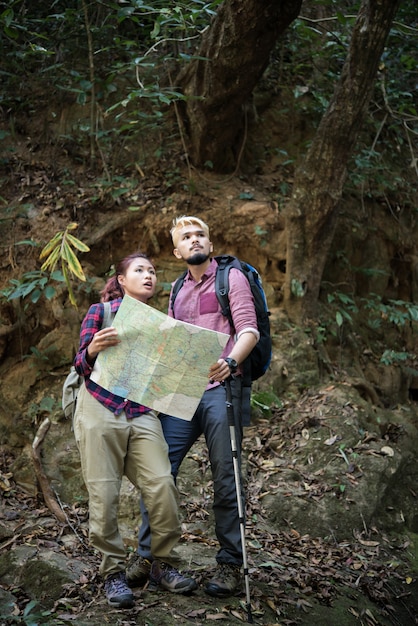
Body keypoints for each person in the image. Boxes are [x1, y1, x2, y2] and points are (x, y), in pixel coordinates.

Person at [126, 217, 259, 598]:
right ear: (177, 251)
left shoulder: (230, 278)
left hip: (222, 387)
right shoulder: (176, 289)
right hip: (181, 392)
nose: (194, 240)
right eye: (186, 237)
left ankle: (231, 564)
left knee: (225, 476)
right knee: (158, 471)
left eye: (199, 234)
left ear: (210, 243)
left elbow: (249, 330)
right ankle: (150, 557)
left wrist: (231, 361)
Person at [73, 251, 197, 609]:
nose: (148, 275)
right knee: (104, 494)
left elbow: (166, 379)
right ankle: (112, 572)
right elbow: (80, 362)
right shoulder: (102, 311)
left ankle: (161, 563)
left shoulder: (161, 322)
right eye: (139, 270)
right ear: (122, 280)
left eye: (153, 271)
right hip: (100, 406)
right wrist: (93, 350)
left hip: (141, 411)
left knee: (161, 484)